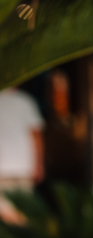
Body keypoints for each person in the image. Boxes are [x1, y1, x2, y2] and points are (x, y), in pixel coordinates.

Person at [0, 86, 45, 223]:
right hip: (24, 166)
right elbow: (36, 135)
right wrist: (39, 164)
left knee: (6, 217)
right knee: (23, 216)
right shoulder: (26, 101)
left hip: (3, 167)